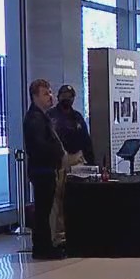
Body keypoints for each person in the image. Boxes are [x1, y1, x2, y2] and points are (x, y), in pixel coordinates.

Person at [23, 78, 67, 260]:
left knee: (45, 209)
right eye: (45, 93)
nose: (50, 96)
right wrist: (56, 153)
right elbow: (40, 146)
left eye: (50, 92)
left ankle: (45, 245)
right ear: (35, 96)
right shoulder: (35, 119)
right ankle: (42, 247)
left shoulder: (42, 116)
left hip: (46, 168)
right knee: (43, 211)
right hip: (42, 170)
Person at [47, 84, 93, 247]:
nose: (67, 98)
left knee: (76, 196)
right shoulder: (51, 116)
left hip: (77, 158)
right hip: (59, 161)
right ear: (58, 97)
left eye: (70, 96)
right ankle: (59, 235)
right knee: (58, 199)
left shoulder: (77, 117)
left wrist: (91, 162)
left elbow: (86, 141)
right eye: (64, 95)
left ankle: (76, 231)